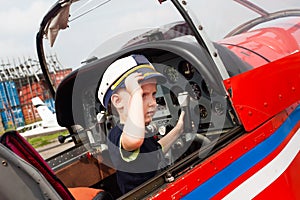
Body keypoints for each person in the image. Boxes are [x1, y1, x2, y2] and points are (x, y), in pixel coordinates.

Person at [98, 54, 185, 194]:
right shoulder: (119, 135)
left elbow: (156, 152)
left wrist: (179, 129)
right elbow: (134, 139)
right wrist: (136, 91)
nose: (153, 103)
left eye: (154, 94)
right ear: (117, 101)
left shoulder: (140, 133)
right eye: (143, 95)